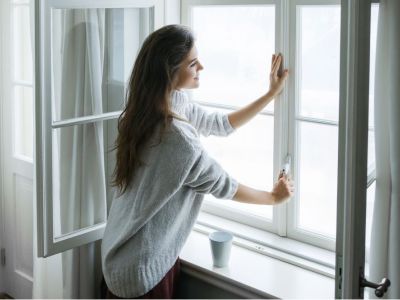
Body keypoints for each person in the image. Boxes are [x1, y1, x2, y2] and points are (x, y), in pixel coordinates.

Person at [101, 24, 293, 299]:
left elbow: (219, 124)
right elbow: (223, 185)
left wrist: (270, 94)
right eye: (192, 63)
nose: (200, 67)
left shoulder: (151, 106)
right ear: (169, 71)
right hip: (140, 272)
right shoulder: (178, 140)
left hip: (119, 254)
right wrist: (273, 198)